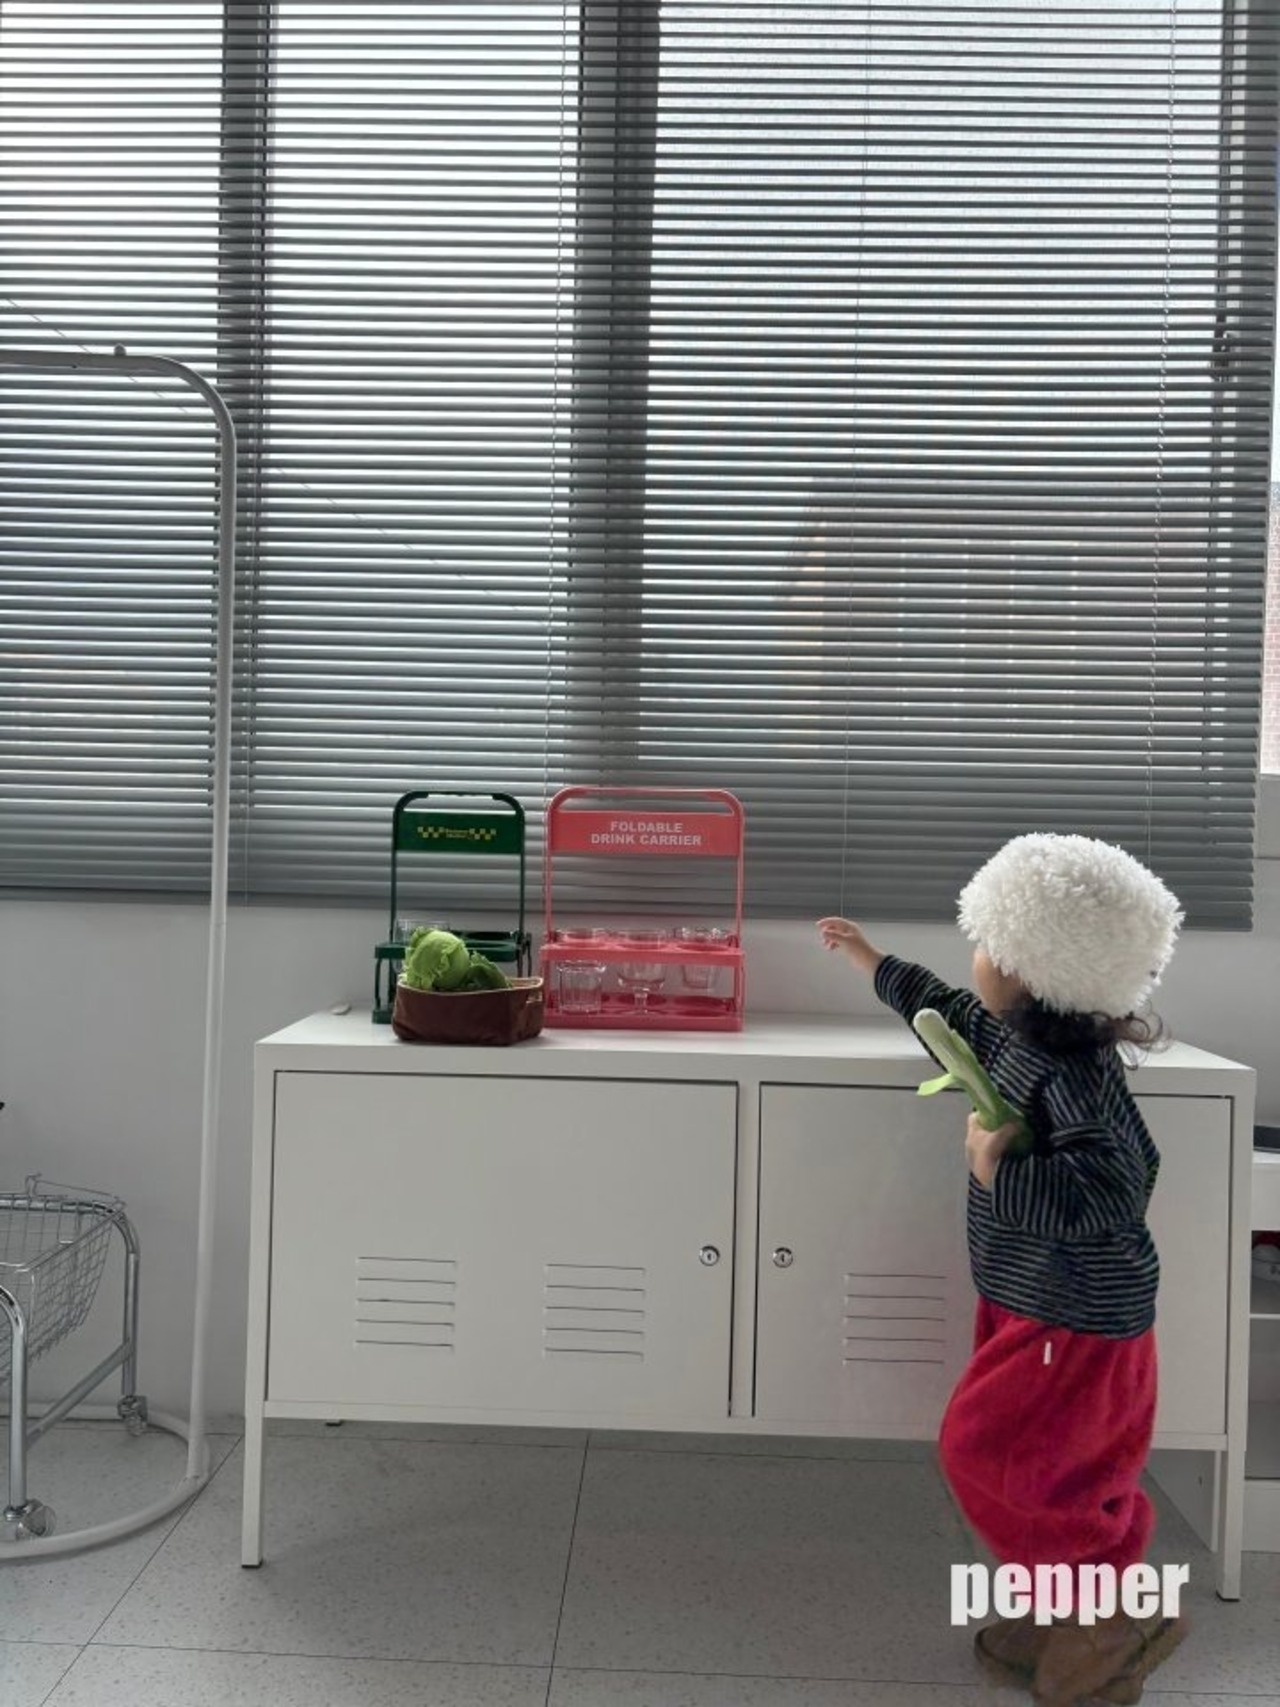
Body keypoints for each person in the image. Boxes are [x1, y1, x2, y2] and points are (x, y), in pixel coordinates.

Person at [818, 832, 1186, 1707]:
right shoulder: (1014, 1035)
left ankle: (1105, 1621)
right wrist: (870, 959)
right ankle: (1070, 1610)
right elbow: (943, 1013)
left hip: (1075, 1315)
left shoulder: (1078, 1074)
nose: (975, 958)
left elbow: (1116, 1186)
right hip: (1027, 1298)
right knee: (1046, 1466)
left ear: (1033, 968)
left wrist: (998, 1172)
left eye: (988, 944)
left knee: (989, 1452)